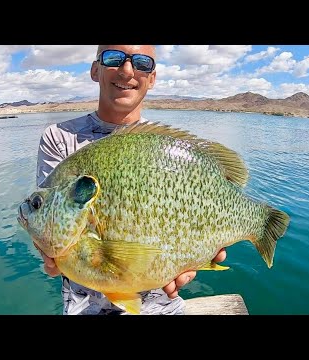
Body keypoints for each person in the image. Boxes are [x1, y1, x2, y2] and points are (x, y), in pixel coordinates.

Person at [35, 45, 227, 315]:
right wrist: (48, 249)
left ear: (152, 78)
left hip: (163, 306)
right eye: (113, 58)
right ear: (94, 70)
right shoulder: (60, 138)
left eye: (141, 63)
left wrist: (194, 254)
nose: (127, 71)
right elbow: (50, 222)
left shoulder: (165, 149)